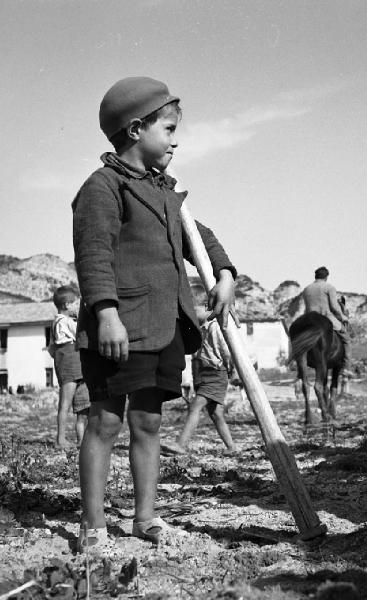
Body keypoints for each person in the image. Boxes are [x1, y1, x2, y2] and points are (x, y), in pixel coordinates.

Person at [72, 76, 237, 551]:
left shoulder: (165, 190)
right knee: (105, 421)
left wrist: (223, 271)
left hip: (163, 328)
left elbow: (198, 237)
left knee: (148, 422)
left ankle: (145, 517)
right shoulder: (102, 188)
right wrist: (105, 313)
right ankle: (94, 524)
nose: (176, 139)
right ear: (136, 129)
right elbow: (94, 254)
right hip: (119, 328)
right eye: (167, 129)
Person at [173, 305, 236, 453]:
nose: (192, 313)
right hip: (202, 374)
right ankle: (231, 447)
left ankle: (181, 445)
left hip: (215, 373)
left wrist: (231, 369)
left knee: (195, 406)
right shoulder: (200, 329)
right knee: (216, 414)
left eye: (195, 310)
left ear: (208, 308)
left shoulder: (215, 327)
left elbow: (225, 351)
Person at [49, 286, 90, 449]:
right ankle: (60, 439)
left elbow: (52, 349)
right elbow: (81, 334)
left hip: (75, 369)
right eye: (75, 304)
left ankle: (80, 439)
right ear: (66, 305)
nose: (77, 308)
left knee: (81, 405)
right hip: (70, 369)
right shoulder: (64, 322)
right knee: (65, 404)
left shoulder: (57, 323)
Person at [302, 266, 351, 372]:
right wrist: (343, 317)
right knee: (346, 339)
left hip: (310, 321)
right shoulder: (329, 287)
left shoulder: (306, 289)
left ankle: (297, 362)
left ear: (316, 276)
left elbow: (306, 308)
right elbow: (334, 306)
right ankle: (346, 367)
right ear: (326, 277)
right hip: (326, 319)